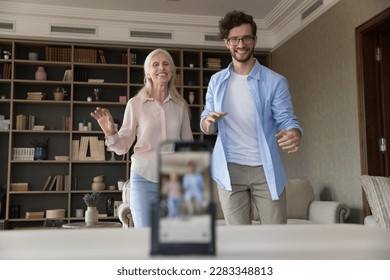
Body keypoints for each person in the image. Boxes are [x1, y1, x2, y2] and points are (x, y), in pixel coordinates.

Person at [200, 10, 303, 225]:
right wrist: (207, 123)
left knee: (275, 237)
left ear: (254, 40)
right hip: (229, 169)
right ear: (227, 42)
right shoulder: (216, 81)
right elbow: (206, 119)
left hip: (265, 169)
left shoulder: (275, 81)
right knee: (238, 243)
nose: (241, 44)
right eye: (235, 39)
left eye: (246, 37)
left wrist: (294, 133)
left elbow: (287, 119)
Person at [91, 48, 193, 227]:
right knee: (144, 236)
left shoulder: (180, 106)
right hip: (143, 178)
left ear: (172, 71)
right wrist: (111, 133)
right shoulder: (135, 104)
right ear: (148, 72)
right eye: (155, 64)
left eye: (166, 63)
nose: (161, 68)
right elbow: (122, 146)